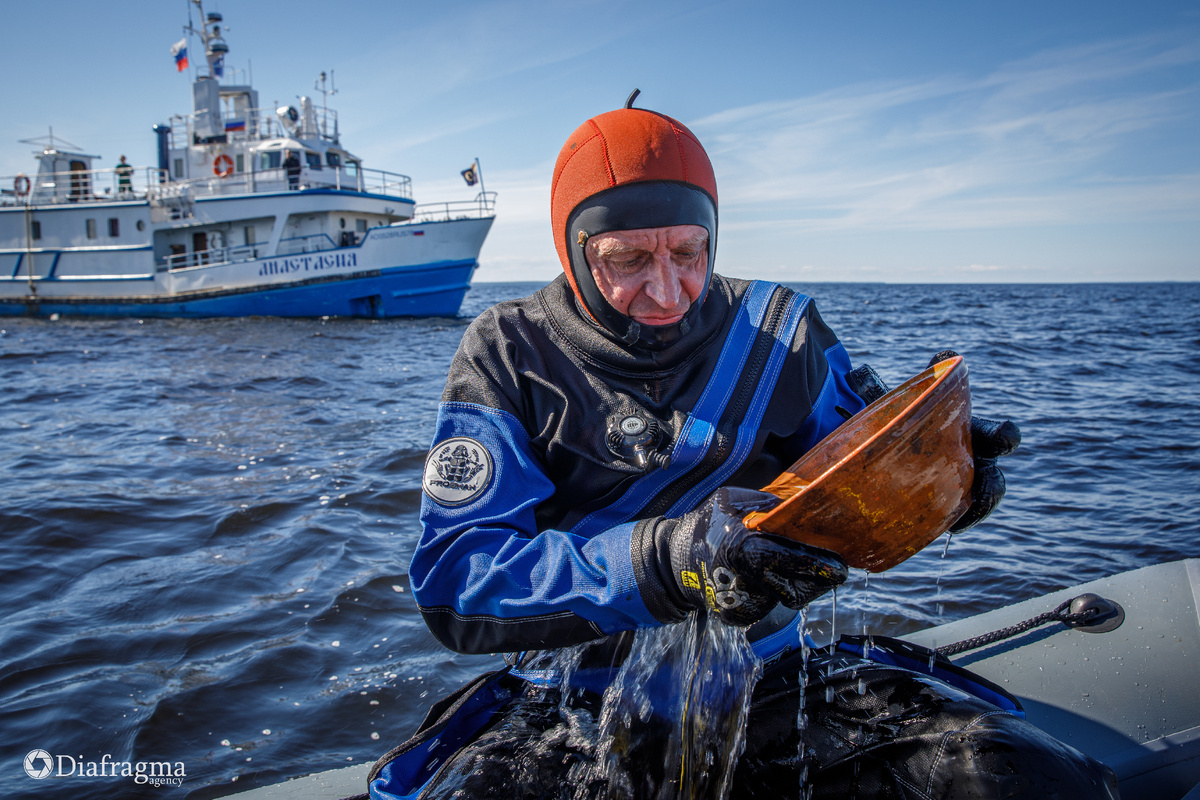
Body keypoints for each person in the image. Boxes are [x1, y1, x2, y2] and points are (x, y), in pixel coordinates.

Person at [384, 98, 1119, 799]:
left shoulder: (780, 333)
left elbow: (853, 490)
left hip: (769, 677)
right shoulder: (509, 351)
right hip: (574, 695)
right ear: (575, 252)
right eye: (627, 260)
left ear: (713, 235)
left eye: (687, 251)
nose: (667, 290)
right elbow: (458, 581)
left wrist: (940, 483)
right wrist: (667, 561)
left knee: (1023, 778)